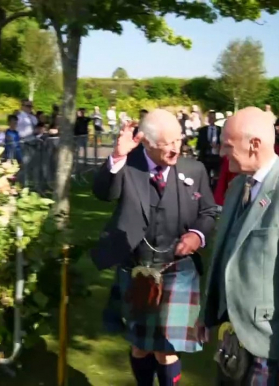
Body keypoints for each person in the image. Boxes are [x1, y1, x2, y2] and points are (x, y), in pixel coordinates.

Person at [199, 107, 279, 386]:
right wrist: (206, 314)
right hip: (231, 341)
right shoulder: (236, 188)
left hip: (266, 348)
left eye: (227, 145)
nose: (221, 152)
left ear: (254, 145)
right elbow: (222, 257)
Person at [92, 109, 217, 386]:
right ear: (146, 142)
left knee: (166, 347)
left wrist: (197, 235)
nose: (175, 149)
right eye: (167, 143)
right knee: (141, 346)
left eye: (178, 141)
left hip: (178, 270)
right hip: (136, 269)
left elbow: (208, 211)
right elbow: (102, 192)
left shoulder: (193, 169)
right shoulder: (128, 164)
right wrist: (117, 156)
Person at [196, 111, 223, 185]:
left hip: (217, 157)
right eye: (210, 117)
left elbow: (223, 141)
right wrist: (209, 145)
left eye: (213, 117)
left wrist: (218, 146)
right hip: (206, 156)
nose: (211, 119)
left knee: (217, 176)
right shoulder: (203, 130)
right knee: (205, 176)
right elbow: (199, 144)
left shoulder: (220, 130)